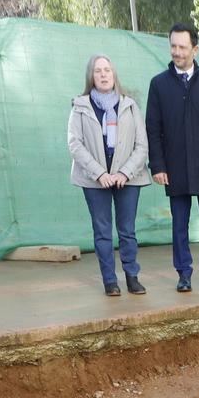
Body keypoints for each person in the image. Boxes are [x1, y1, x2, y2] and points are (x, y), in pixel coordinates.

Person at [144, 23, 199, 292]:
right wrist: (157, 165)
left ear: (195, 49)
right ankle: (184, 274)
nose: (177, 52)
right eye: (173, 46)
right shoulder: (158, 85)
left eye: (182, 47)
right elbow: (153, 128)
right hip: (174, 169)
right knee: (179, 226)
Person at [67, 55, 149, 297]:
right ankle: (110, 281)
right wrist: (99, 173)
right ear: (91, 77)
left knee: (127, 230)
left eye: (107, 70)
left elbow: (141, 145)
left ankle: (132, 277)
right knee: (102, 231)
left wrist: (125, 172)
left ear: (114, 75)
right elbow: (75, 144)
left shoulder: (130, 105)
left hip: (129, 179)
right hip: (95, 181)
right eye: (98, 71)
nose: (103, 75)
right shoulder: (80, 107)